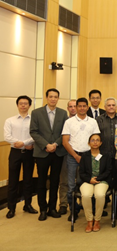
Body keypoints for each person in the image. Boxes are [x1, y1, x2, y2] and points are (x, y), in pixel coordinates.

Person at [30, 88, 68, 221]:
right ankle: (43, 209)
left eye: (55, 97)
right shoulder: (36, 113)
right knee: (41, 182)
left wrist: (55, 144)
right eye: (51, 96)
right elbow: (33, 132)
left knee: (55, 181)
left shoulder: (63, 113)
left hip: (57, 152)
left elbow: (64, 132)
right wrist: (46, 145)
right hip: (42, 152)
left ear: (58, 98)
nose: (53, 99)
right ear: (46, 98)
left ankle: (52, 208)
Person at [62, 97, 101, 220]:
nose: (82, 108)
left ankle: (92, 210)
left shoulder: (93, 122)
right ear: (76, 107)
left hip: (89, 157)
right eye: (80, 106)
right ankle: (74, 210)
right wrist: (75, 156)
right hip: (73, 156)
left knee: (90, 182)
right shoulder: (69, 122)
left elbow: (96, 140)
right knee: (71, 186)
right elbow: (65, 141)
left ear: (87, 107)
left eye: (85, 106)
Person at [4, 95, 37, 219]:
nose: (23, 105)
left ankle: (27, 205)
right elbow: (7, 136)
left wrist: (23, 143)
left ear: (29, 105)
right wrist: (22, 143)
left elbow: (35, 135)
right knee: (13, 181)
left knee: (28, 180)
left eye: (26, 103)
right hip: (15, 153)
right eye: (21, 103)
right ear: (17, 105)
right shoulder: (10, 120)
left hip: (29, 153)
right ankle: (11, 208)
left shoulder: (33, 120)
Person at [79, 133, 112, 233]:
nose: (95, 142)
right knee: (85, 195)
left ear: (101, 143)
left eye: (97, 140)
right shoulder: (84, 156)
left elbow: (108, 170)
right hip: (87, 181)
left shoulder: (106, 155)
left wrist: (98, 178)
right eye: (93, 140)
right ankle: (89, 220)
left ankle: (97, 220)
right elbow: (81, 172)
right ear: (89, 143)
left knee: (100, 195)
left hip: (102, 180)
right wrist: (90, 179)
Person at [59, 99, 77, 215]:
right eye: (70, 106)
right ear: (68, 108)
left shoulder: (83, 122)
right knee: (64, 180)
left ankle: (77, 204)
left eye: (75, 106)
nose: (73, 108)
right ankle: (63, 203)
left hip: (79, 154)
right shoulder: (63, 121)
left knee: (78, 180)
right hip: (65, 153)